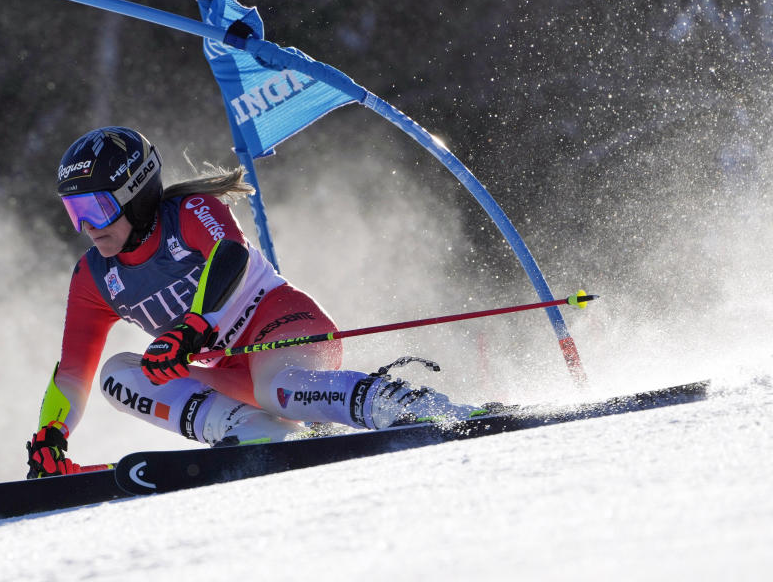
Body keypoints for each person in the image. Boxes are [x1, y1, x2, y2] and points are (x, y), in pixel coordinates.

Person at [26, 126, 474, 478]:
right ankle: (254, 431)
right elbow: (71, 371)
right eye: (75, 212)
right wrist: (52, 434)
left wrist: (192, 328)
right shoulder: (93, 277)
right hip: (231, 373)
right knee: (117, 375)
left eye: (97, 210)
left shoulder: (190, 212)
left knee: (279, 388)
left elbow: (230, 254)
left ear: (135, 194)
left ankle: (415, 408)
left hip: (284, 326)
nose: (88, 226)